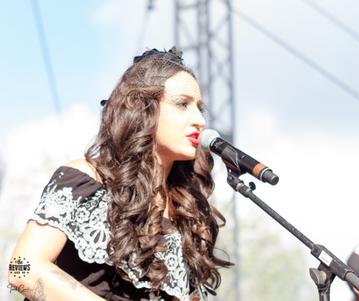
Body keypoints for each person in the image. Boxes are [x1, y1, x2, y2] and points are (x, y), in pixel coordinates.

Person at [8, 47, 232, 301]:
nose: (199, 120)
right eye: (183, 104)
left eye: (199, 108)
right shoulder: (86, 180)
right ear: (143, 109)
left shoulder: (187, 213)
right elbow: (21, 269)